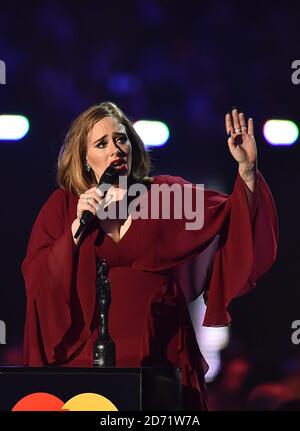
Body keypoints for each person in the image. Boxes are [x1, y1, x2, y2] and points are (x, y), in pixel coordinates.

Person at [22, 102, 278, 410]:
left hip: (162, 361)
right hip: (86, 370)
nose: (116, 149)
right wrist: (76, 231)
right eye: (102, 144)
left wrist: (247, 170)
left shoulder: (164, 196)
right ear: (85, 159)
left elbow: (233, 216)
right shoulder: (63, 207)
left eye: (121, 139)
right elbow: (37, 282)